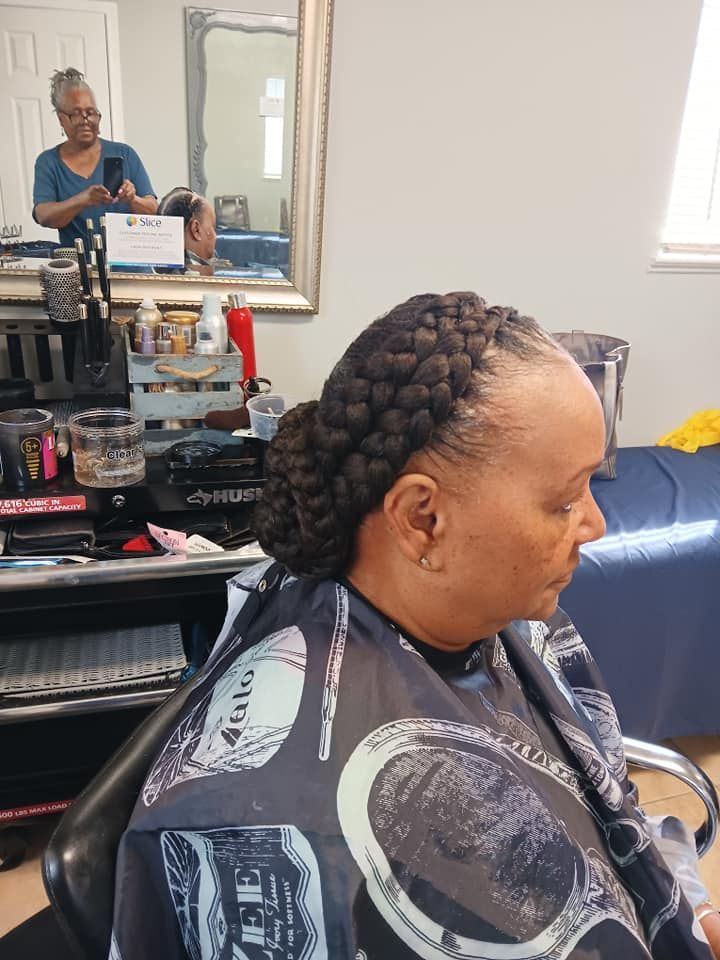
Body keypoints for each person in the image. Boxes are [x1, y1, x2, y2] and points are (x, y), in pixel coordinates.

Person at [109, 292, 720, 959]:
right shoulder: (322, 845)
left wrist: (684, 904)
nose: (595, 525)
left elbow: (609, 802)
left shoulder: (504, 615)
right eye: (565, 499)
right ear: (421, 518)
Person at [32, 68, 157, 247]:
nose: (85, 120)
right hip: (80, 268)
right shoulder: (49, 162)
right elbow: (44, 216)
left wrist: (133, 199)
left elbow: (153, 210)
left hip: (129, 267)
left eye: (91, 112)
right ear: (61, 119)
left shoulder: (125, 154)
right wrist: (83, 199)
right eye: (75, 114)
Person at [156, 187, 218, 275]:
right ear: (196, 230)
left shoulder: (152, 272)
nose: (215, 236)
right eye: (213, 227)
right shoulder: (209, 281)